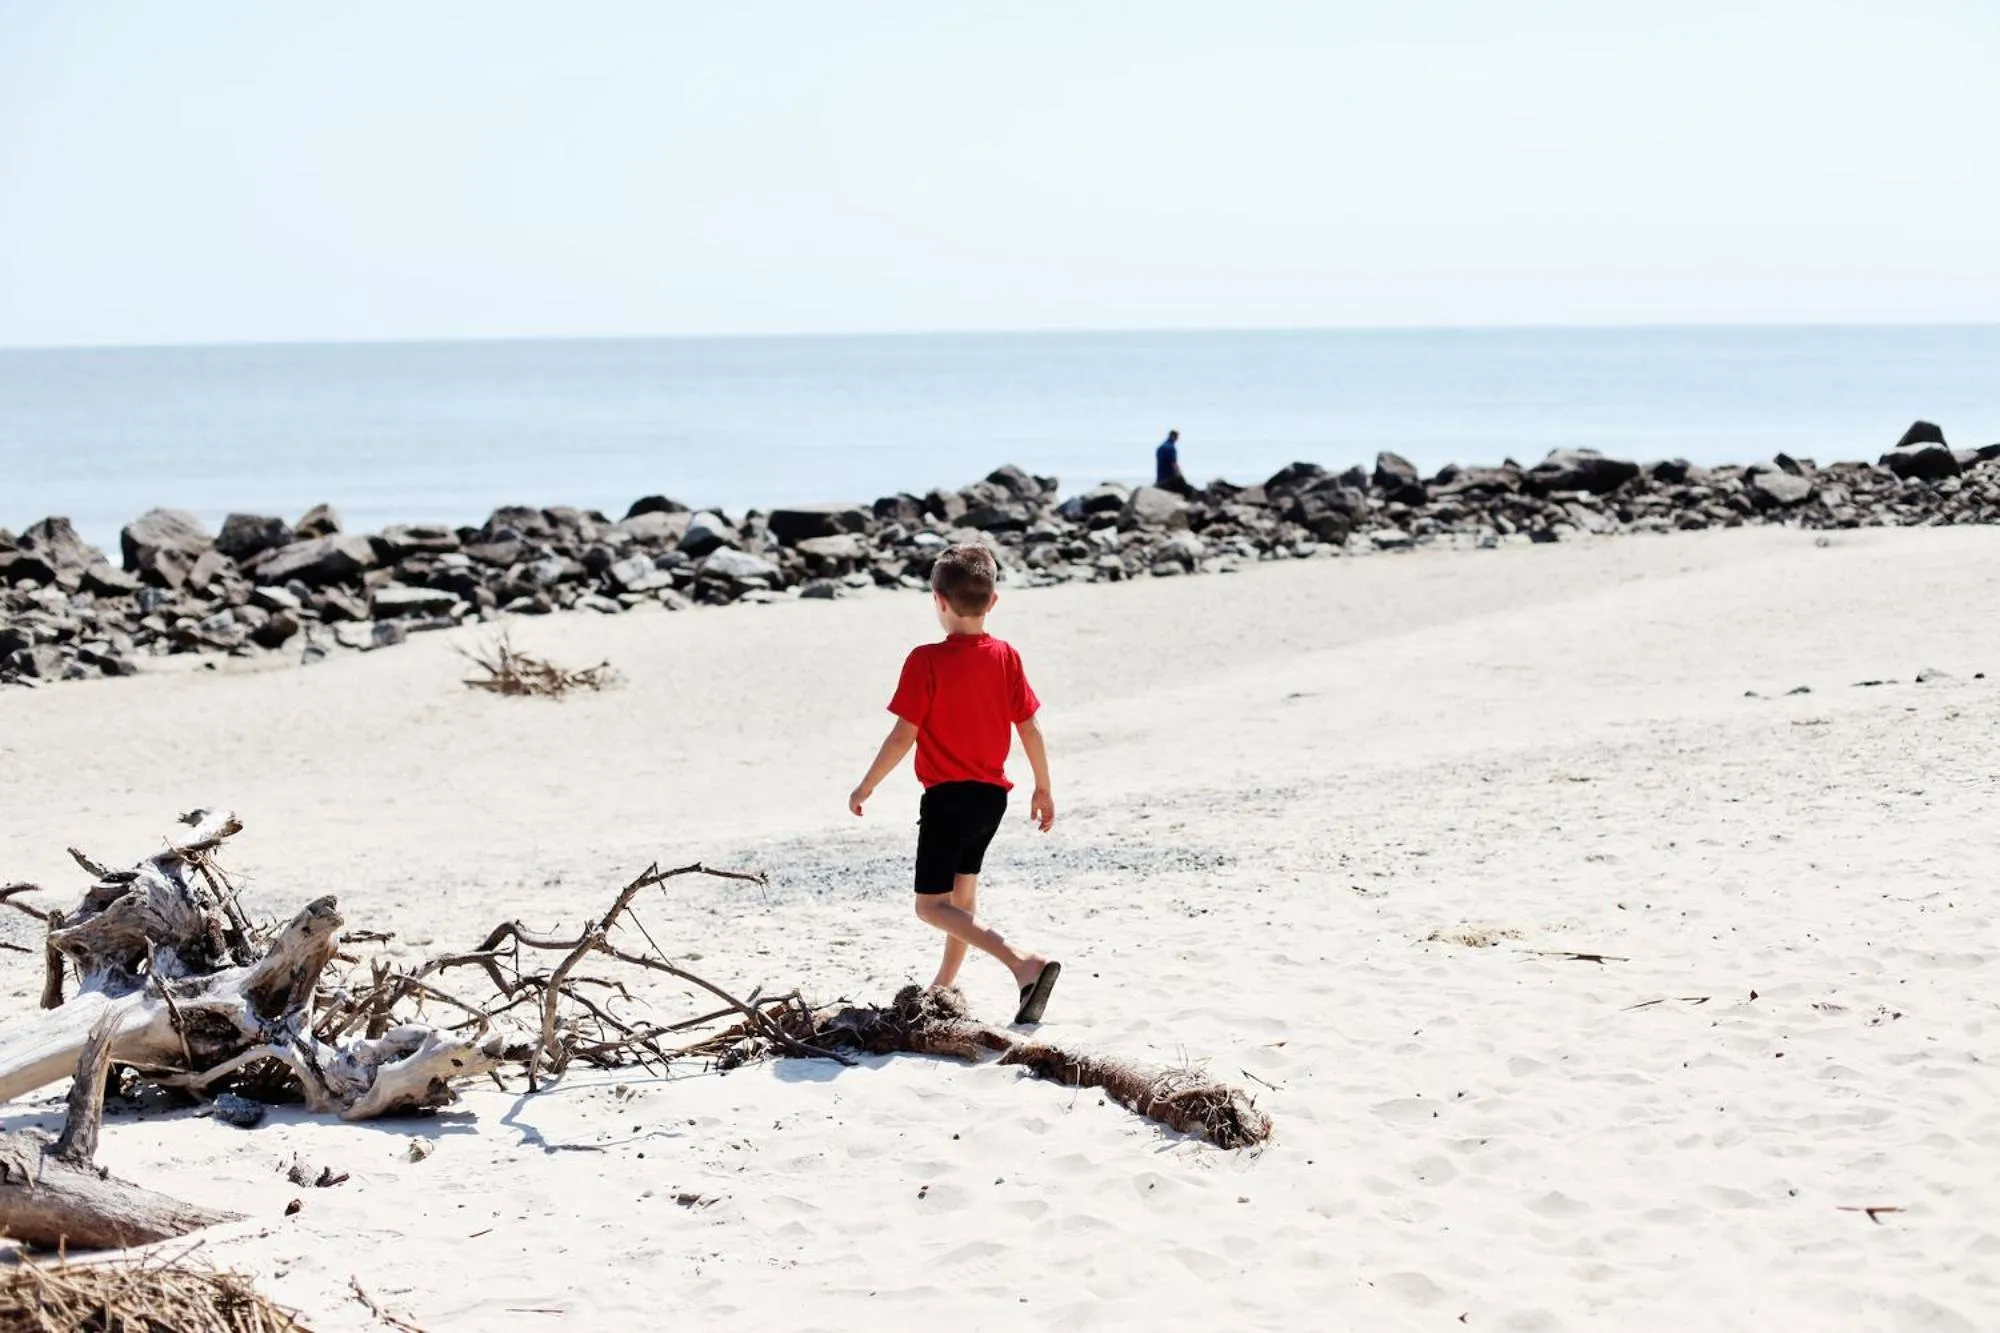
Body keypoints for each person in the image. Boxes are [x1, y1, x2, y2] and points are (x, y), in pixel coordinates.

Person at [848, 544, 1062, 1024]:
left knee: (930, 906)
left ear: (938, 601)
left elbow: (904, 734)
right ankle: (943, 985)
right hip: (991, 799)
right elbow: (1029, 726)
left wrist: (867, 785)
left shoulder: (926, 661)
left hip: (947, 798)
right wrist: (1043, 787)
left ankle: (1023, 963)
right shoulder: (1005, 655)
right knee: (962, 900)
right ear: (994, 602)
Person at [1155, 428, 1194, 497]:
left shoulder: (1160, 447)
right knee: (1188, 489)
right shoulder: (1170, 448)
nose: (1177, 439)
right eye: (1177, 437)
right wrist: (1180, 475)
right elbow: (1173, 463)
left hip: (1160, 478)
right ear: (1173, 436)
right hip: (1169, 478)